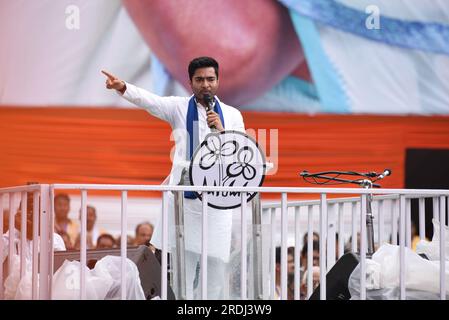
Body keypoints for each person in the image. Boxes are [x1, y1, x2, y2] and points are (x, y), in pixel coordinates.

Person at [102, 56, 245, 299]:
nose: (206, 85)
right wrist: (123, 87)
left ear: (218, 81)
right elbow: (151, 101)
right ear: (191, 82)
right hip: (184, 203)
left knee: (215, 272)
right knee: (183, 274)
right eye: (199, 80)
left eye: (210, 79)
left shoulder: (232, 115)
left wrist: (223, 131)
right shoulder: (178, 107)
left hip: (218, 205)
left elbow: (241, 154)